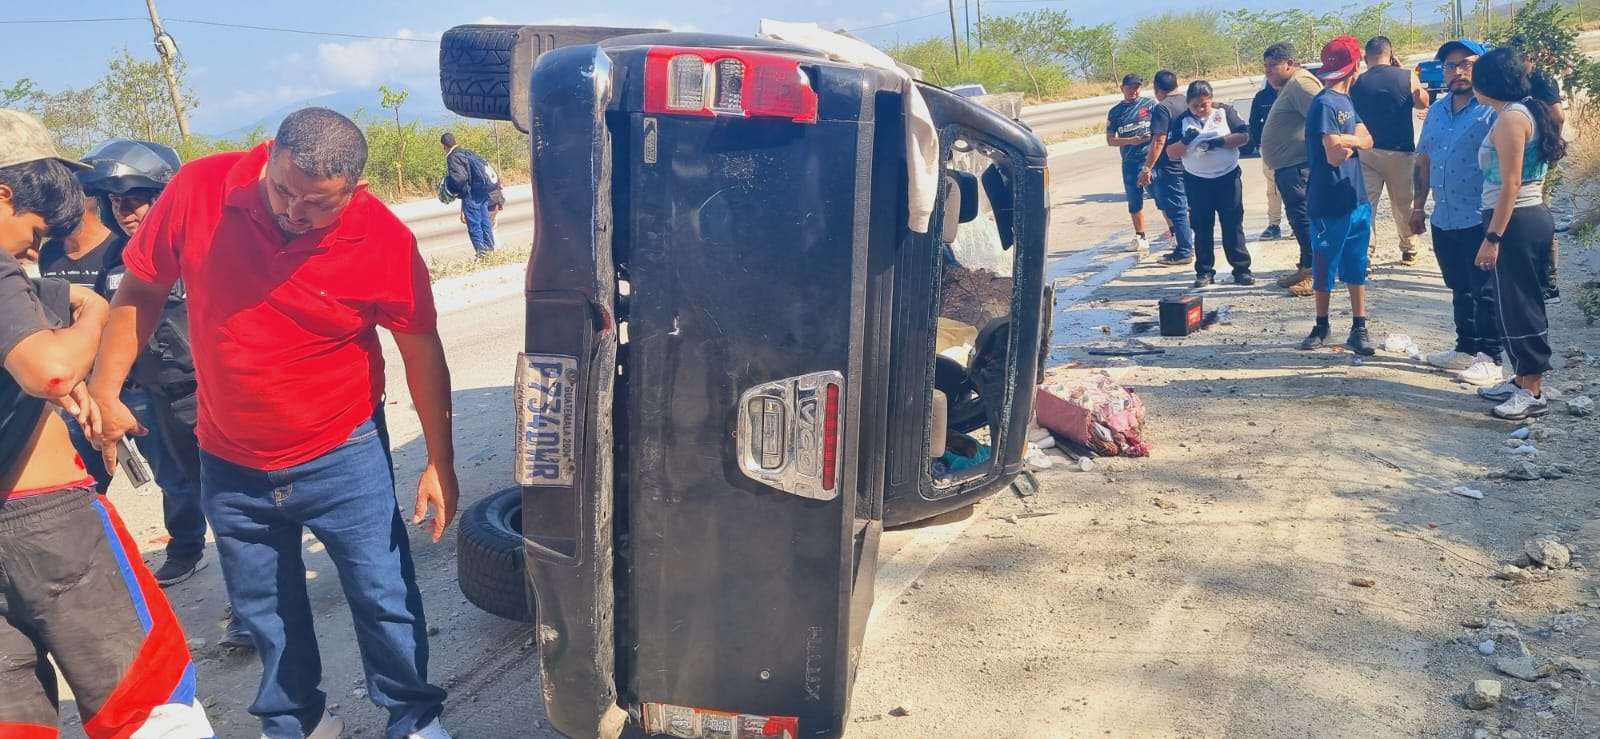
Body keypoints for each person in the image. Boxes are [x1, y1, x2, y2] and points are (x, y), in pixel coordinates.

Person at [91, 107, 458, 739]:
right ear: (268, 157)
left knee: (384, 597)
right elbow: (143, 290)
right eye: (283, 190)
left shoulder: (384, 240)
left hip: (343, 453)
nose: (293, 212)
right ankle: (297, 724)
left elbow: (420, 345)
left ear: (355, 191)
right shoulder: (201, 189)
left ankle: (414, 719)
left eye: (317, 205)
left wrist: (440, 460)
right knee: (266, 607)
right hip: (230, 459)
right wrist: (105, 385)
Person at [1, 108, 214, 738]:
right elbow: (52, 372)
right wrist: (94, 310)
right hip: (45, 522)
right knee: (150, 705)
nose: (32, 253)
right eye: (32, 232)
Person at [1468, 48, 1566, 420]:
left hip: (1516, 219)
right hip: (1521, 216)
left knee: (1521, 303)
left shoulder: (1512, 118)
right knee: (1512, 302)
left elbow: (1510, 184)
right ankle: (1521, 378)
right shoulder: (1523, 111)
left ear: (1486, 83)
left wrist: (1493, 238)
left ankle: (1532, 390)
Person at [1411, 40, 1503, 378]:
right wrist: (1417, 207)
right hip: (1444, 216)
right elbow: (1424, 161)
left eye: (1466, 63)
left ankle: (1491, 357)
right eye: (1451, 66)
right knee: (1458, 286)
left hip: (1480, 216)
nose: (1458, 71)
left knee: (1485, 290)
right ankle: (1465, 348)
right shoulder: (1435, 111)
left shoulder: (1493, 110)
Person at [1300, 36, 1378, 355]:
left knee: (1357, 263)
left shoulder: (1346, 101)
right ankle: (1321, 324)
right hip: (1327, 200)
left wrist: (1347, 141)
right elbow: (1333, 157)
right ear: (1357, 66)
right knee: (1324, 265)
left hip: (1356, 197)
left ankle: (1359, 327)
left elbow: (1368, 139)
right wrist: (1348, 143)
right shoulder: (1324, 103)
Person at [1164, 81, 1254, 287]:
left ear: (1211, 100)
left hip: (1227, 178)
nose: (1200, 109)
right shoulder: (1182, 120)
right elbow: (1170, 153)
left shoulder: (1225, 112)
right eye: (1195, 105)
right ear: (1188, 104)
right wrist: (1186, 141)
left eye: (1204, 104)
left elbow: (1244, 136)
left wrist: (1220, 141)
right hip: (1197, 181)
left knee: (1232, 224)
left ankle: (1241, 269)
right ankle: (1204, 271)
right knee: (1202, 227)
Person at [1350, 36, 1429, 265]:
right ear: (1390, 53)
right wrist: (1405, 72)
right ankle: (1409, 249)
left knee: (1366, 204)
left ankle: (1365, 253)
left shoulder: (1357, 81)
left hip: (1367, 151)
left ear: (1366, 58)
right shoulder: (1406, 76)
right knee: (1403, 203)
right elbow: (1423, 102)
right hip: (1400, 153)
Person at [1259, 42, 1325, 297]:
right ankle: (1305, 265)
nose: (1268, 72)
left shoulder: (1301, 84)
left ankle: (1314, 274)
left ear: (1289, 63)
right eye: (1265, 67)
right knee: (1298, 218)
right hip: (1288, 167)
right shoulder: (1290, 85)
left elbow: (1322, 118)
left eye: (1273, 66)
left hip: (1298, 166)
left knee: (1304, 219)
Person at [1506, 34, 1565, 304]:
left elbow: (1558, 116)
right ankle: (1534, 276)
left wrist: (1550, 145)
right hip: (1529, 154)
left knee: (1540, 215)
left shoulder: (1541, 78)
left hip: (1540, 155)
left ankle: (1548, 280)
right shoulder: (1520, 82)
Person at [1139, 70, 1196, 265]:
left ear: (1157, 89)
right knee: (1191, 206)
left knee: (1177, 208)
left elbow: (1159, 140)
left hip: (1171, 165)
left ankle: (1184, 250)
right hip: (1192, 161)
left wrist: (1147, 168)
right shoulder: (1188, 101)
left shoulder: (1162, 108)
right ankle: (1193, 244)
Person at [1106, 73, 1158, 255]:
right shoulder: (1115, 112)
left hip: (1151, 159)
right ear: (1122, 88)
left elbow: (1161, 130)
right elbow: (1111, 140)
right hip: (1130, 162)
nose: (1133, 91)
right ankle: (1141, 237)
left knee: (1162, 197)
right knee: (1134, 202)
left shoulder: (1150, 105)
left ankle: (1175, 232)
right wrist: (1131, 140)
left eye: (1137, 87)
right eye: (1130, 87)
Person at [441, 132, 500, 258]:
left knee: (474, 223)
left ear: (444, 146)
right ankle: (490, 250)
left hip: (472, 194)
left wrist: (451, 188)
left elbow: (460, 178)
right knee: (485, 221)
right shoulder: (466, 152)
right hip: (483, 191)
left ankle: (482, 253)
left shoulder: (453, 156)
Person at [1248, 76, 1283, 240]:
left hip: (1297, 151)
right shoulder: (1262, 97)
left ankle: (1301, 222)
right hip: (1271, 150)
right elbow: (1253, 122)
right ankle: (1274, 224)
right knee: (1274, 189)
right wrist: (1259, 145)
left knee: (1300, 186)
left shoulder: (1293, 92)